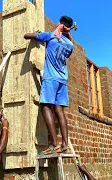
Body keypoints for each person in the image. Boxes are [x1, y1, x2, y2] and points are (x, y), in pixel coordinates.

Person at [24, 16, 74, 155]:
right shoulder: (70, 45)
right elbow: (69, 46)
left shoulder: (50, 36)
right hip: (62, 80)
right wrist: (66, 34)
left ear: (61, 24)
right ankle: (65, 144)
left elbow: (26, 35)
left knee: (45, 106)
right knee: (59, 110)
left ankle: (54, 144)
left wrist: (37, 32)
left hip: (51, 78)